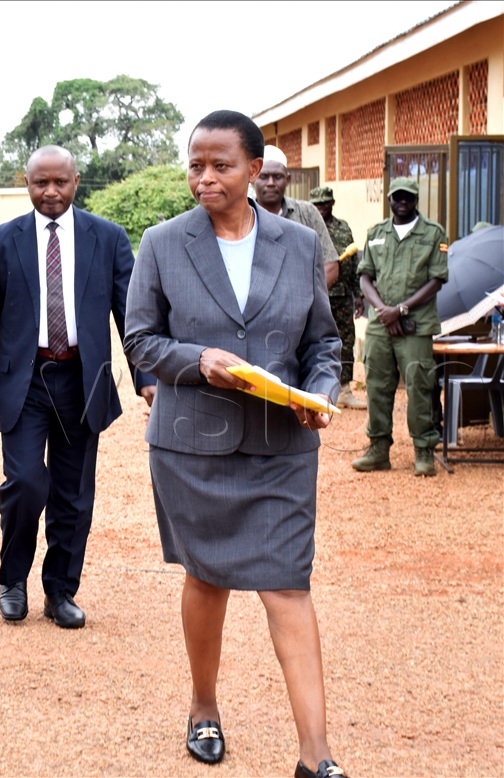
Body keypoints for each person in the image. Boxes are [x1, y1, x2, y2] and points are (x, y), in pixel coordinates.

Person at [124, 110, 347, 778]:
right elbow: (140, 340)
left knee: (288, 588)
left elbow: (324, 343)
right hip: (194, 448)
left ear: (255, 170)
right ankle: (204, 706)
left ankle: (317, 757)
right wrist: (199, 361)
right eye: (196, 164)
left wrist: (323, 391)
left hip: (282, 446)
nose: (205, 177)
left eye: (221, 164)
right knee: (207, 579)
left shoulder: (299, 244)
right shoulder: (162, 243)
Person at [0, 145, 155, 630]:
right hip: (26, 381)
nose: (51, 192)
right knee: (25, 483)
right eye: (41, 183)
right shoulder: (1, 241)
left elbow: (130, 316)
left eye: (60, 182)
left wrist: (146, 379)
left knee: (74, 494)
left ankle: (60, 590)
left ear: (76, 182)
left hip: (83, 380)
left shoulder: (107, 238)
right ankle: (12, 579)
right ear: (27, 182)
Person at [352, 176, 447, 477]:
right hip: (381, 324)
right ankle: (378, 449)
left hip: (415, 324)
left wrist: (401, 310)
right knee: (377, 385)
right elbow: (365, 276)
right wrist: (383, 311)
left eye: (408, 197)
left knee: (420, 385)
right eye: (397, 197)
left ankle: (424, 450)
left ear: (416, 199)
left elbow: (436, 280)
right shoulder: (377, 233)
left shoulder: (433, 233)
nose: (402, 202)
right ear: (390, 199)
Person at [310, 186, 367, 409]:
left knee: (345, 342)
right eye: (317, 204)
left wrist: (358, 294)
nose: (321, 207)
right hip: (316, 295)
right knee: (313, 342)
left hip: (341, 297)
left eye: (325, 203)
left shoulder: (344, 228)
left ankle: (343, 390)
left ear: (332, 203)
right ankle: (315, 390)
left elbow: (353, 264)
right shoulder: (306, 225)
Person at [255, 145, 340, 290]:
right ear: (252, 178)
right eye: (263, 176)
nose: (270, 183)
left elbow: (330, 266)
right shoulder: (241, 217)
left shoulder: (307, 213)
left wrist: (304, 300)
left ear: (288, 179)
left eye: (277, 177)